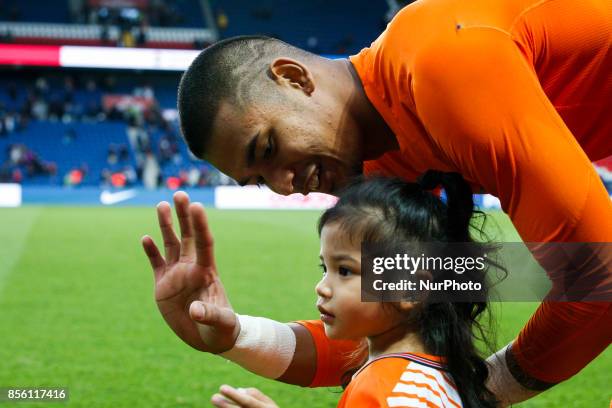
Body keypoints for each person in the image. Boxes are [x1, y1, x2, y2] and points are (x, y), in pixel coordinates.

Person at [146, 0, 612, 404]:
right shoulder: (379, 165)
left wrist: (474, 391)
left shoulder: (442, 61)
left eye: (267, 149)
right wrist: (235, 335)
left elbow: (598, 278)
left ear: (293, 78)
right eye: (260, 181)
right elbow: (400, 321)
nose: (286, 186)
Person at [207, 172, 498, 407]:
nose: (322, 288)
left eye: (344, 270)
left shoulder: (390, 392)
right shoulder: (424, 375)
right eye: (325, 269)